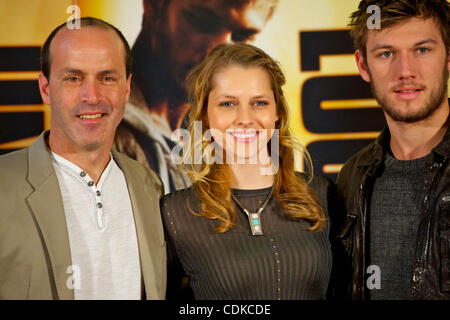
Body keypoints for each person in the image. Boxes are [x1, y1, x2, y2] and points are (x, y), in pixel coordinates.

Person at [0, 17, 166, 300]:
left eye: (107, 77)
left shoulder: (149, 186)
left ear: (126, 89)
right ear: (45, 89)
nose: (92, 96)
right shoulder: (4, 185)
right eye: (73, 78)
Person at [161, 42, 334, 300]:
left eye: (259, 103)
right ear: (206, 115)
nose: (244, 117)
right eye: (228, 104)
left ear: (277, 112)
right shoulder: (175, 213)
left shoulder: (322, 195)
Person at [335, 0, 449, 299]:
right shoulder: (352, 178)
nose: (405, 71)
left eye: (422, 50)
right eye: (386, 54)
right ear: (363, 65)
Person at [114, 0, 278, 194]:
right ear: (154, 6)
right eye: (203, 22)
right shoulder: (104, 130)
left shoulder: (230, 136)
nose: (219, 55)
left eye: (241, 36)